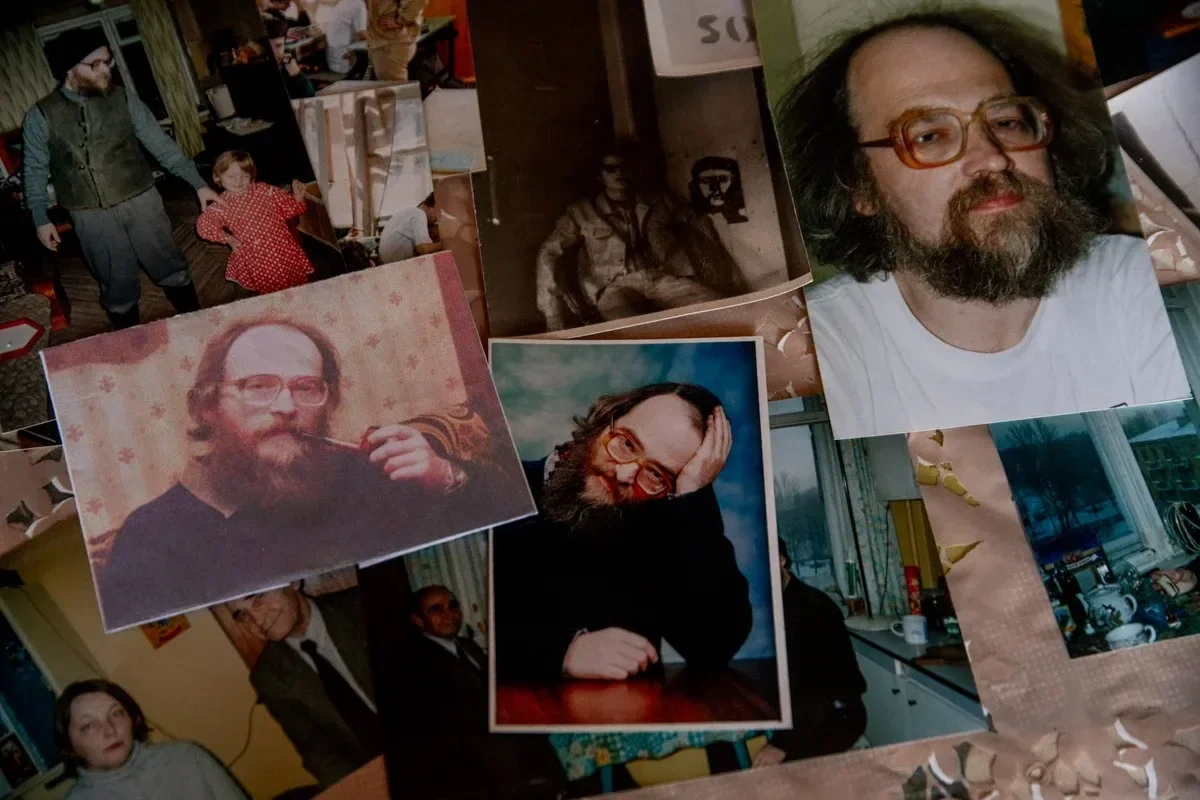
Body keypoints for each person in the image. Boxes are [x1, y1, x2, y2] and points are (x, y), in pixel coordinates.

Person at [774, 8, 1190, 438]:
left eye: (1006, 121)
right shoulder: (813, 352)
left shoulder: (1144, 285)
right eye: (929, 136)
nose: (992, 157)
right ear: (859, 186)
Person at [99, 319, 495, 629]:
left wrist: (446, 476)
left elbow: (497, 518)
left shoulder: (367, 471)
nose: (287, 407)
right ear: (207, 406)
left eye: (306, 388)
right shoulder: (151, 538)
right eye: (259, 386)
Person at [493, 383, 751, 683]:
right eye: (627, 443)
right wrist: (559, 650)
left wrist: (694, 496)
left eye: (656, 473)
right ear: (604, 420)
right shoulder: (502, 488)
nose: (624, 473)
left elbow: (714, 647)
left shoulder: (660, 531)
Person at [22, 28, 215, 330]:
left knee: (169, 266)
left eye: (107, 61)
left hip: (142, 200)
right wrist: (39, 217)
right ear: (69, 69)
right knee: (116, 283)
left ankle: (198, 326)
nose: (106, 69)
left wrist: (199, 183)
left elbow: (162, 145)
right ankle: (130, 341)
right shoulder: (39, 116)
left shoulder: (125, 98)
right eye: (95, 64)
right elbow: (34, 169)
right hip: (89, 214)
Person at [535, 144, 741, 331]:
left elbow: (697, 218)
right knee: (634, 333)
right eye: (610, 169)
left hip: (661, 277)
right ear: (599, 175)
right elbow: (548, 252)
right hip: (613, 286)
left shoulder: (657, 200)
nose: (619, 173)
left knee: (721, 311)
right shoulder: (581, 212)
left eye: (624, 167)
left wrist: (719, 268)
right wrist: (552, 312)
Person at [227, 584, 377, 788]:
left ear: (293, 581)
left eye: (258, 597)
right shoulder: (269, 676)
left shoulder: (362, 604)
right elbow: (319, 754)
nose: (258, 621)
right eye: (243, 616)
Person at [53, 679, 248, 799]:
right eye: (88, 726)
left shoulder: (188, 757)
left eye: (117, 714)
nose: (110, 730)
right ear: (70, 746)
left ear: (133, 719)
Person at [764, 548, 866, 761]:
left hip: (834, 715)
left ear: (781, 559)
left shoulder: (811, 607)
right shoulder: (780, 602)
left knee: (776, 771)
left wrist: (782, 744)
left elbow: (818, 688)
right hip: (809, 711)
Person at [195, 151, 315, 293]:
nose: (238, 181)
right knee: (273, 292)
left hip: (284, 250)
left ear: (252, 176)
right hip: (258, 259)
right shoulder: (220, 204)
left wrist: (298, 198)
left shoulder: (266, 191)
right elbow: (203, 227)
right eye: (231, 176)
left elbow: (291, 210)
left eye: (245, 175)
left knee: (300, 287)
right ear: (217, 177)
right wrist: (226, 238)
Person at [366, 0, 426, 81]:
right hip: (380, 40)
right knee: (386, 84)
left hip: (392, 41)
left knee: (392, 86)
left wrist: (400, 20)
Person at [377, 193, 441, 264]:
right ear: (435, 207)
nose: (437, 219)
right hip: (393, 265)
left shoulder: (411, 212)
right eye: (439, 214)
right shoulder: (419, 214)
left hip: (388, 263)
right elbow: (424, 249)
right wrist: (445, 244)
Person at [266, 18, 316, 99]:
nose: (273, 53)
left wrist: (297, 75)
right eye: (268, 46)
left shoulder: (287, 63)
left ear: (284, 44)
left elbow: (310, 94)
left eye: (278, 46)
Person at [326, 0, 369, 74]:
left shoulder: (342, 2)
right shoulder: (359, 5)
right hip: (345, 64)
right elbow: (362, 34)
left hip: (334, 61)